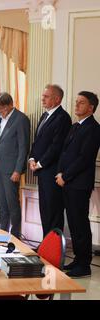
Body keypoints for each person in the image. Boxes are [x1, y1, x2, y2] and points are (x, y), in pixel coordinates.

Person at [56, 91, 100, 278]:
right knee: (73, 223)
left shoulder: (94, 128)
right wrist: (59, 172)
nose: (77, 105)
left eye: (81, 103)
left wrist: (65, 176)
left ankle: (85, 265)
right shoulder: (75, 126)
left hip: (79, 184)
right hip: (67, 181)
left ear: (91, 107)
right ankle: (78, 259)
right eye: (76, 102)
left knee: (80, 223)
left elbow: (84, 158)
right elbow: (64, 153)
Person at [28, 85, 71, 238]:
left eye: (46, 96)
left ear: (57, 99)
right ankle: (47, 244)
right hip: (42, 171)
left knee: (54, 211)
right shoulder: (44, 115)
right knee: (45, 210)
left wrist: (40, 163)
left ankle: (55, 247)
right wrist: (32, 158)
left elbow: (56, 146)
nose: (42, 99)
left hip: (52, 172)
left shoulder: (63, 118)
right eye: (43, 95)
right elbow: (37, 142)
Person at [0, 92, 30, 238]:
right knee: (2, 204)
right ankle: (2, 233)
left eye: (3, 108)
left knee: (12, 204)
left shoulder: (21, 119)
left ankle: (15, 235)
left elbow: (24, 147)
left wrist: (18, 170)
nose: (0, 111)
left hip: (12, 169)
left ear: (10, 105)